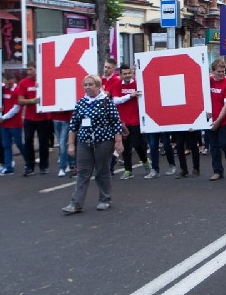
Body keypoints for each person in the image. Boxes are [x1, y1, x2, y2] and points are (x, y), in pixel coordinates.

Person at [62, 75, 124, 214]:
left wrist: (118, 142)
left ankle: (105, 199)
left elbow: (116, 122)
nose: (88, 87)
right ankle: (76, 203)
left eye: (90, 84)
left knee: (102, 170)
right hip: (84, 141)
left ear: (97, 86)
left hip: (103, 141)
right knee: (83, 172)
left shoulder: (106, 101)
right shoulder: (81, 103)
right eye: (85, 85)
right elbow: (73, 124)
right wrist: (71, 144)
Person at [111, 64, 150, 179]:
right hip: (122, 122)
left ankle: (145, 163)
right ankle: (128, 170)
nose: (127, 75)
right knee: (125, 147)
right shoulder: (117, 85)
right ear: (120, 74)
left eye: (129, 73)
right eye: (125, 74)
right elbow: (115, 101)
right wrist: (130, 96)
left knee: (138, 144)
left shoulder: (138, 83)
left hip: (136, 120)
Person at [18, 61, 52, 176]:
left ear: (37, 69)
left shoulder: (44, 80)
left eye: (31, 69)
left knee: (43, 143)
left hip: (43, 117)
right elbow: (20, 100)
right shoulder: (24, 83)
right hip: (29, 118)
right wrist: (32, 101)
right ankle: (29, 166)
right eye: (27, 70)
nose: (29, 72)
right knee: (28, 141)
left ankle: (44, 166)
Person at [207, 58, 226, 181]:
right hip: (211, 119)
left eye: (223, 71)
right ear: (213, 71)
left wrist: (218, 121)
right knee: (213, 146)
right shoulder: (208, 81)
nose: (221, 74)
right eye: (219, 71)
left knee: (224, 142)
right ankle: (218, 171)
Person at [0, 73, 25, 176]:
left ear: (12, 80)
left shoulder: (17, 91)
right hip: (5, 124)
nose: (5, 84)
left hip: (14, 123)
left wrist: (3, 117)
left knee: (19, 144)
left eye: (6, 81)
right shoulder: (4, 89)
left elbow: (16, 109)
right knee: (6, 145)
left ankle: (28, 161)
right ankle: (8, 167)